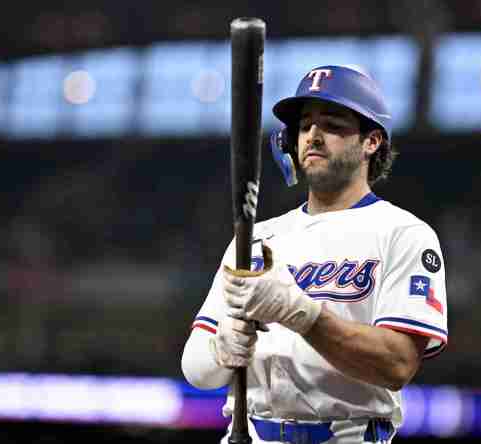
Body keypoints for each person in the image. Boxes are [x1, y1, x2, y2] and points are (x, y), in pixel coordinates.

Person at [181, 65, 448, 444]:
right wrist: (221, 349)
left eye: (333, 124)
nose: (313, 136)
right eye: (305, 125)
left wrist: (303, 314)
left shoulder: (403, 233)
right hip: (249, 432)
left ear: (371, 141)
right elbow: (196, 371)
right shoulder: (256, 238)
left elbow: (397, 363)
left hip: (346, 435)